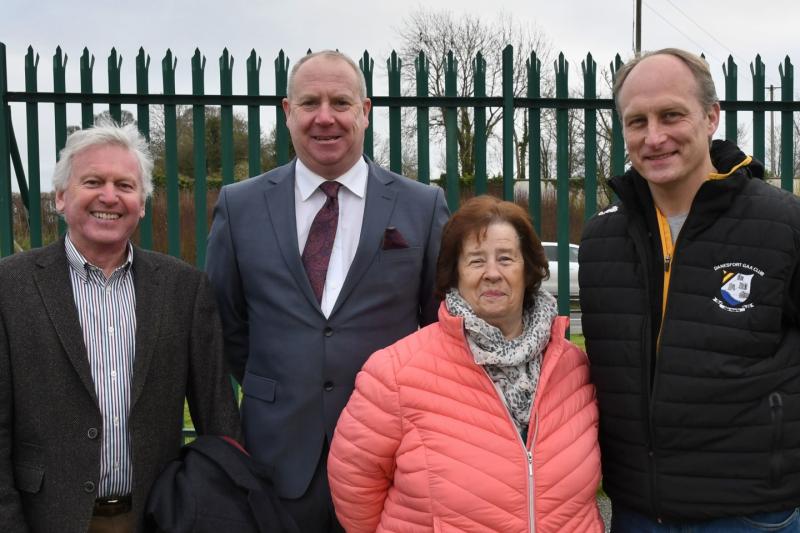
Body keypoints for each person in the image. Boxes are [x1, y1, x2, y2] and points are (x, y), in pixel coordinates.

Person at [205, 49, 449, 533]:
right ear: (286, 111)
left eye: (340, 102)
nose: (325, 118)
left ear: (365, 110)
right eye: (309, 103)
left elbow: (439, 325)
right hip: (274, 454)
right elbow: (226, 322)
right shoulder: (240, 205)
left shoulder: (422, 206)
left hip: (391, 453)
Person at [579, 47, 800, 531]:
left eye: (671, 115)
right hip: (637, 513)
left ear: (711, 116)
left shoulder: (783, 223)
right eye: (637, 121)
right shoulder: (599, 239)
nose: (654, 137)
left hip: (753, 515)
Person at [0, 120, 240, 533]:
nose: (109, 196)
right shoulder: (10, 286)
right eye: (92, 181)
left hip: (155, 514)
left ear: (142, 203)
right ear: (60, 197)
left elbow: (219, 422)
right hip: (45, 517)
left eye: (125, 186)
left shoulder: (184, 288)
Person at [328, 195, 603, 532]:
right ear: (454, 273)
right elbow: (354, 486)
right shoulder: (395, 373)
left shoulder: (573, 367)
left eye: (506, 258)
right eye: (475, 261)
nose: (492, 274)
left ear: (528, 269)